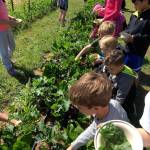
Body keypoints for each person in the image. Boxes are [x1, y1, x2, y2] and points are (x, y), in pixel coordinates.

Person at [67, 72, 128, 150]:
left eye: (79, 107)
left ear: (95, 108)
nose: (77, 108)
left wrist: (73, 146)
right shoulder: (111, 103)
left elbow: (92, 131)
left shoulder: (108, 125)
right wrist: (73, 146)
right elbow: (93, 128)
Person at [104, 50, 137, 117]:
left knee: (126, 105)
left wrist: (114, 109)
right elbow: (111, 77)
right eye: (108, 68)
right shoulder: (116, 68)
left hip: (127, 92)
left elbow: (121, 96)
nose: (109, 71)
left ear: (121, 66)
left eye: (111, 69)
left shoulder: (126, 78)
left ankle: (131, 111)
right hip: (121, 86)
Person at [122, 0, 150, 72]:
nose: (134, 6)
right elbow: (129, 28)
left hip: (137, 54)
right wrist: (124, 33)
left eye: (136, 3)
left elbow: (148, 37)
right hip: (127, 49)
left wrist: (134, 38)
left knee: (132, 74)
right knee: (123, 71)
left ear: (145, 1)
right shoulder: (135, 14)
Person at [0, 0, 20, 76]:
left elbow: (3, 14)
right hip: (0, 31)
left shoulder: (2, 1)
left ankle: (7, 60)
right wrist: (10, 22)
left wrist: (11, 18)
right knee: (3, 50)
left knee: (12, 45)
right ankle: (9, 68)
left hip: (7, 27)